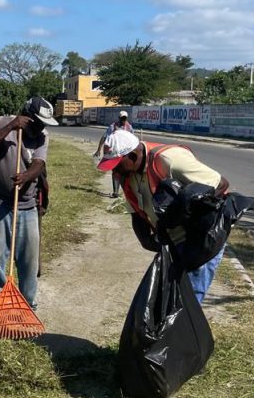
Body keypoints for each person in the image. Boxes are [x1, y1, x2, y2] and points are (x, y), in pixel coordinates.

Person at [97, 129, 229, 302]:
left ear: (133, 156)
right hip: (173, 241)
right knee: (168, 297)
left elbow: (220, 184)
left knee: (188, 300)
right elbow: (135, 211)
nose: (114, 171)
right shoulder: (127, 175)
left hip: (200, 238)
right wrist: (146, 240)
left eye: (117, 164)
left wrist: (186, 209)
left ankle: (185, 329)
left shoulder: (169, 160)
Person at [0, 96, 58, 309]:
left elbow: (39, 163)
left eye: (44, 124)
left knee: (29, 261)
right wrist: (11, 127)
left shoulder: (42, 135)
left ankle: (28, 306)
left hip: (27, 205)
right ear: (25, 116)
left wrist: (27, 176)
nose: (40, 128)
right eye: (37, 122)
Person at [95, 110, 133, 198]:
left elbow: (132, 139)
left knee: (124, 172)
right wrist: (98, 149)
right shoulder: (113, 126)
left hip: (125, 152)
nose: (123, 120)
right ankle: (115, 192)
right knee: (116, 171)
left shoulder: (129, 127)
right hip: (115, 152)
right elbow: (105, 137)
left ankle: (125, 191)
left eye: (125, 118)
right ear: (119, 118)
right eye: (122, 118)